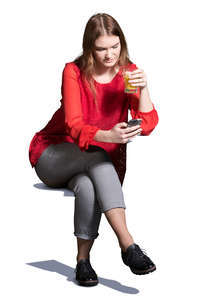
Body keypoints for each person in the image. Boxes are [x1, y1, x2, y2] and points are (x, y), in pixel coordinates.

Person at [28, 13, 159, 287]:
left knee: (87, 185)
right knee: (98, 154)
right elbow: (74, 126)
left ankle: (82, 262)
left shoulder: (127, 72)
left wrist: (144, 90)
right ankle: (128, 245)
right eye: (101, 48)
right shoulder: (73, 72)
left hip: (95, 165)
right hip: (54, 155)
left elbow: (146, 124)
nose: (110, 54)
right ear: (90, 47)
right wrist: (107, 134)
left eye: (115, 46)